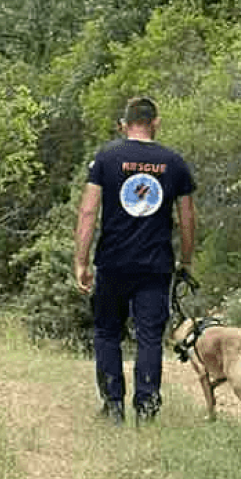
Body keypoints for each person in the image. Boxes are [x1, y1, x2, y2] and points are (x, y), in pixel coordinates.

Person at [73, 96, 197, 426]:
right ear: (155, 122)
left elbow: (88, 212)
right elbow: (187, 217)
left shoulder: (106, 158)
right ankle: (146, 409)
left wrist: (81, 262)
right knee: (149, 338)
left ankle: (113, 406)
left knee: (107, 333)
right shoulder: (174, 162)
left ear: (124, 124)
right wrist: (186, 260)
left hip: (112, 262)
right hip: (155, 265)